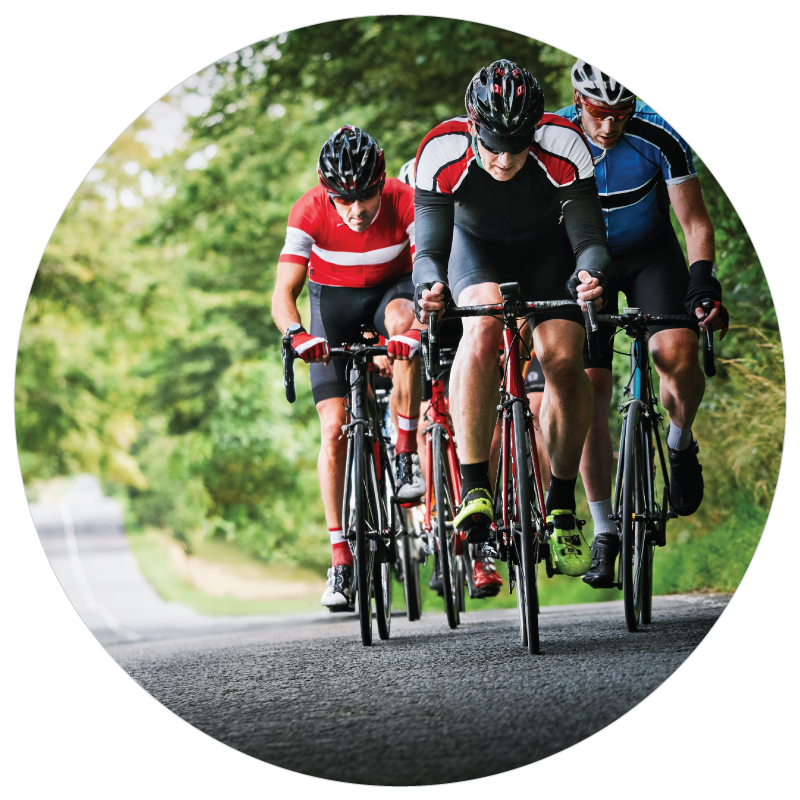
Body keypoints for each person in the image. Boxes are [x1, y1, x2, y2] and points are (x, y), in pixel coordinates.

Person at [403, 59, 613, 578]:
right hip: (474, 251)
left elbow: (589, 241)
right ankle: (475, 488)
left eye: (518, 145)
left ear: (535, 130)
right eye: (493, 144)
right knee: (481, 326)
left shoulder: (563, 143)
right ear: (472, 126)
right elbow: (428, 250)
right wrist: (428, 288)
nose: (504, 158)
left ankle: (562, 506)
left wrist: (589, 275)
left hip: (547, 252)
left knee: (564, 359)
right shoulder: (441, 150)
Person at [552, 61, 730, 588]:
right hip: (582, 263)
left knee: (674, 352)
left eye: (621, 113)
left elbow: (693, 221)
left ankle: (679, 442)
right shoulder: (553, 136)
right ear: (579, 101)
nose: (609, 127)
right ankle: (605, 530)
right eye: (599, 113)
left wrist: (702, 281)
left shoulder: (659, 131)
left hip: (650, 254)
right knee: (587, 391)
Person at [271, 126, 425, 609]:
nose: (355, 210)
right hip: (331, 304)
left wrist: (418, 329)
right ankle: (340, 560)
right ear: (326, 191)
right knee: (334, 427)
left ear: (382, 183)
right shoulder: (309, 210)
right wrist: (298, 336)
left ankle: (404, 453)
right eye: (343, 199)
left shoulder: (406, 200)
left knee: (405, 325)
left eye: (365, 197)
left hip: (391, 294)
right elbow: (283, 294)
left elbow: (429, 271)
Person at [399, 158, 503, 597]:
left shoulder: (455, 223)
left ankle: (483, 542)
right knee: (428, 419)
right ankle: (435, 527)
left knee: (482, 423)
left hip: (466, 321)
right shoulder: (405, 239)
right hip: (427, 331)